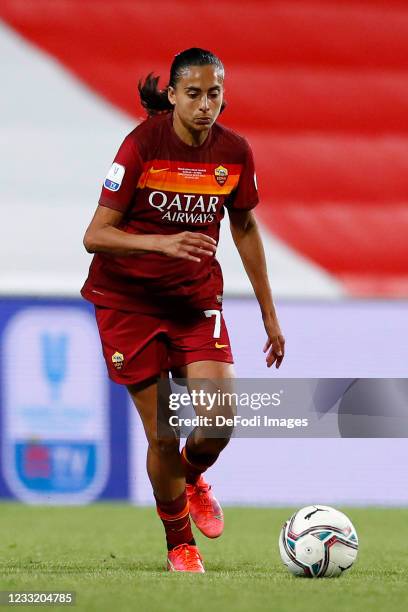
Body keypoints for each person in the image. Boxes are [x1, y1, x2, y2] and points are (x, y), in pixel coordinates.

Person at [81, 47, 285, 573]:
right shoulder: (141, 144)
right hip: (128, 303)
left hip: (195, 304)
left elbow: (244, 228)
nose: (204, 104)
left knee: (218, 423)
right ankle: (179, 544)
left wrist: (268, 312)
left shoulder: (235, 152)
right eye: (193, 93)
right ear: (172, 95)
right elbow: (95, 236)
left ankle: (193, 478)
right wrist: (164, 244)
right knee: (163, 434)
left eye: (213, 93)